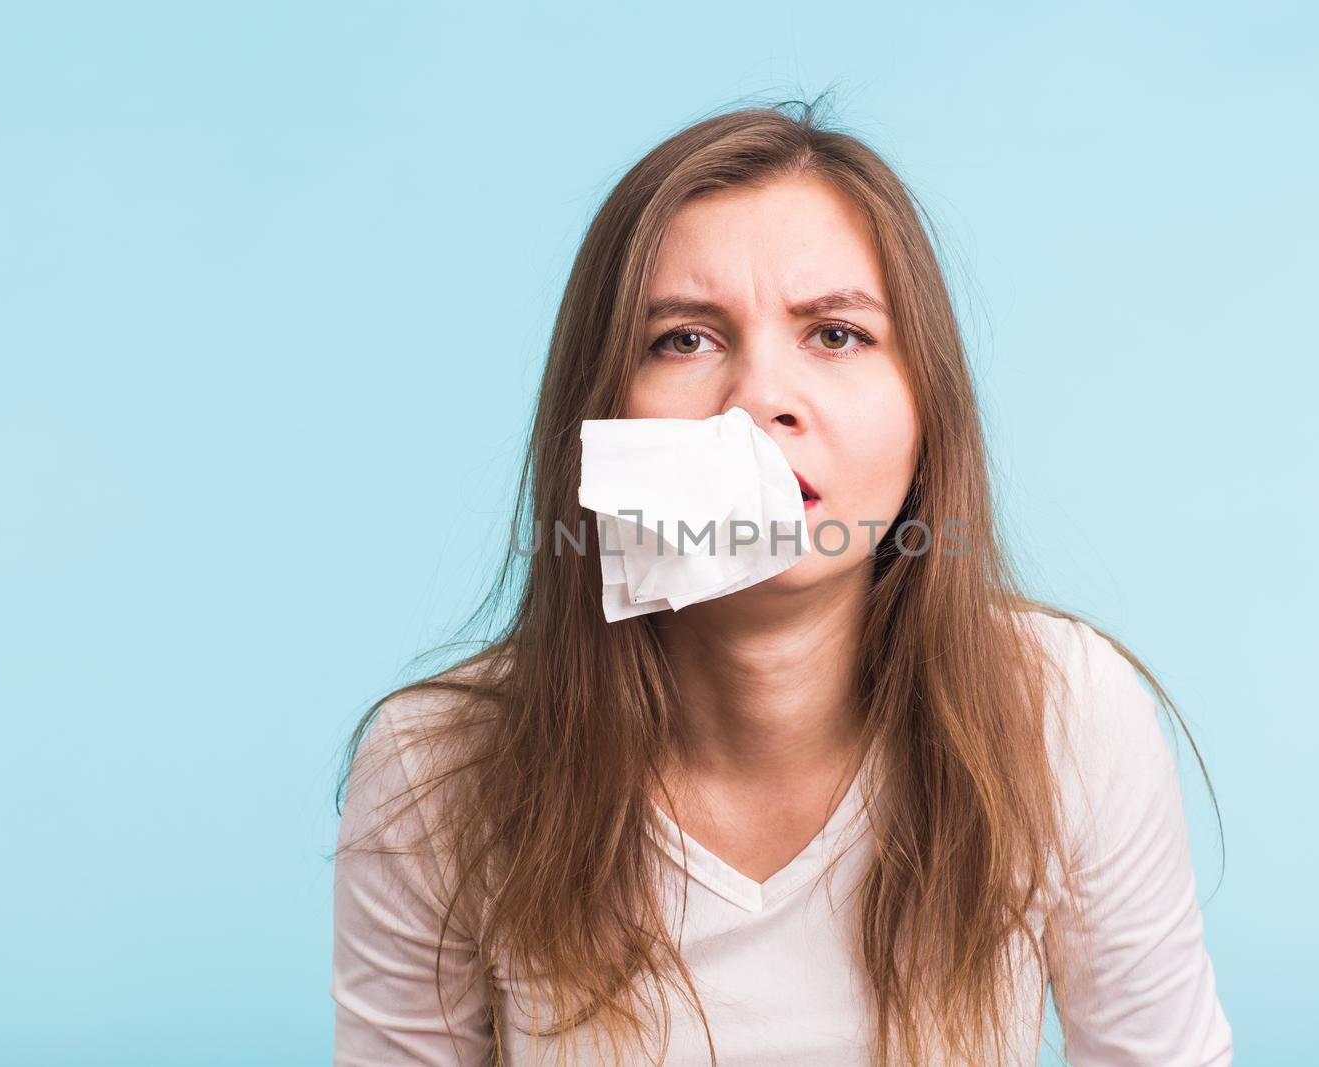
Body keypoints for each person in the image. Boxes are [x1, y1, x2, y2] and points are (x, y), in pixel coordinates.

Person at [330, 99, 1233, 1066]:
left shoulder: (1065, 711)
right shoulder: (436, 765)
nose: (761, 399)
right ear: (599, 419)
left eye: (837, 335)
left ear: (927, 410)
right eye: (684, 339)